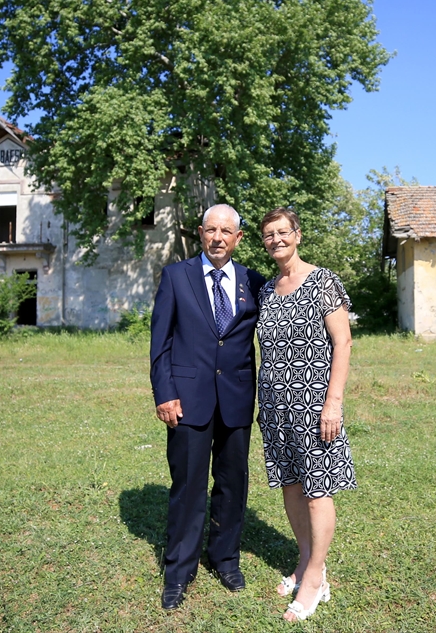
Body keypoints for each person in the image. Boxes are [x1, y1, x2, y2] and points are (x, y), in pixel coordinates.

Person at [149, 204, 267, 611]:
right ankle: (179, 572)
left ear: (239, 238)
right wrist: (164, 393)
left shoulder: (254, 282)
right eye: (211, 230)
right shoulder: (176, 276)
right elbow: (160, 342)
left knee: (234, 485)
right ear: (201, 233)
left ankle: (225, 558)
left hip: (236, 400)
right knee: (188, 487)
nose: (218, 238)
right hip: (187, 400)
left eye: (226, 231)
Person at [255, 207, 357, 622]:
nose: (276, 239)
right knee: (291, 485)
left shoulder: (322, 281)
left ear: (297, 235)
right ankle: (304, 560)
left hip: (314, 404)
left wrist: (333, 402)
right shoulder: (267, 289)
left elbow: (344, 341)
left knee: (317, 490)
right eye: (268, 234)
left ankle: (315, 577)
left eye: (283, 232)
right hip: (275, 406)